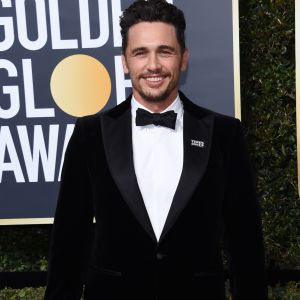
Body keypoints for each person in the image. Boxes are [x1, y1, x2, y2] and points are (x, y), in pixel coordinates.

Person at [44, 0, 268, 299]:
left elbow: (245, 241)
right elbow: (69, 242)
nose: (153, 65)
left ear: (183, 58)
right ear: (125, 61)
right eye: (140, 53)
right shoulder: (91, 134)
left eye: (165, 51)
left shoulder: (224, 133)